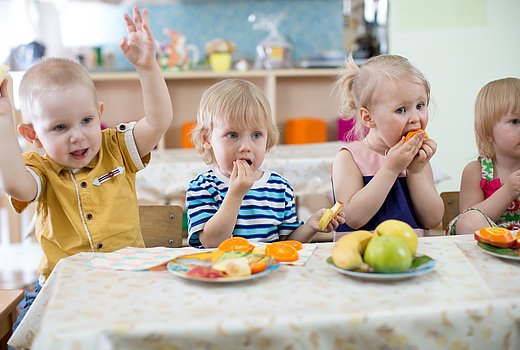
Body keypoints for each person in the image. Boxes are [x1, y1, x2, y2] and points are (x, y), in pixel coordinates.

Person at [0, 6, 172, 329]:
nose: (77, 136)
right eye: (60, 128)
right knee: (27, 334)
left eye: (86, 120)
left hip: (126, 280)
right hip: (61, 287)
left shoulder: (116, 147)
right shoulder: (41, 167)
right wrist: (2, 119)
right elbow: (15, 186)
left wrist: (148, 68)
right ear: (32, 136)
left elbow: (159, 121)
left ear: (100, 113)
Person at [186, 78, 345, 248]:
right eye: (232, 135)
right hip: (222, 271)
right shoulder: (202, 187)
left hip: (268, 271)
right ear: (206, 138)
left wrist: (311, 226)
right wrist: (235, 194)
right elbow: (211, 242)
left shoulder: (279, 187)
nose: (245, 147)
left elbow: (287, 244)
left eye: (256, 135)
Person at [332, 54, 443, 237]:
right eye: (401, 110)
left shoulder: (418, 159)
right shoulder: (349, 158)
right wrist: (390, 169)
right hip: (361, 259)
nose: (415, 118)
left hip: (412, 257)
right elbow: (353, 218)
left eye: (420, 105)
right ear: (368, 118)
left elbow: (432, 219)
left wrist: (415, 171)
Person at [449, 77, 520, 234]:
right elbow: (468, 218)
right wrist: (507, 192)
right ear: (487, 132)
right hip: (492, 239)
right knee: (469, 221)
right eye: (515, 121)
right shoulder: (476, 171)